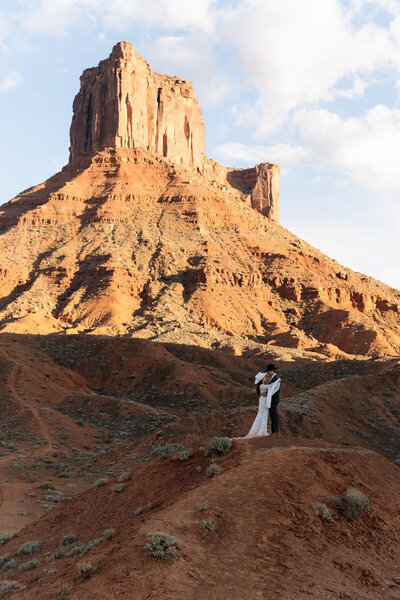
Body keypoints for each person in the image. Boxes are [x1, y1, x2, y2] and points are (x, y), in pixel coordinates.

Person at [265, 364, 281, 434]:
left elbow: (272, 389)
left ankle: (276, 431)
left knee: (274, 415)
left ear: (272, 371)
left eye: (268, 371)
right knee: (272, 415)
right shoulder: (274, 378)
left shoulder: (276, 378)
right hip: (273, 400)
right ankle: (274, 431)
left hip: (273, 400)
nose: (268, 373)